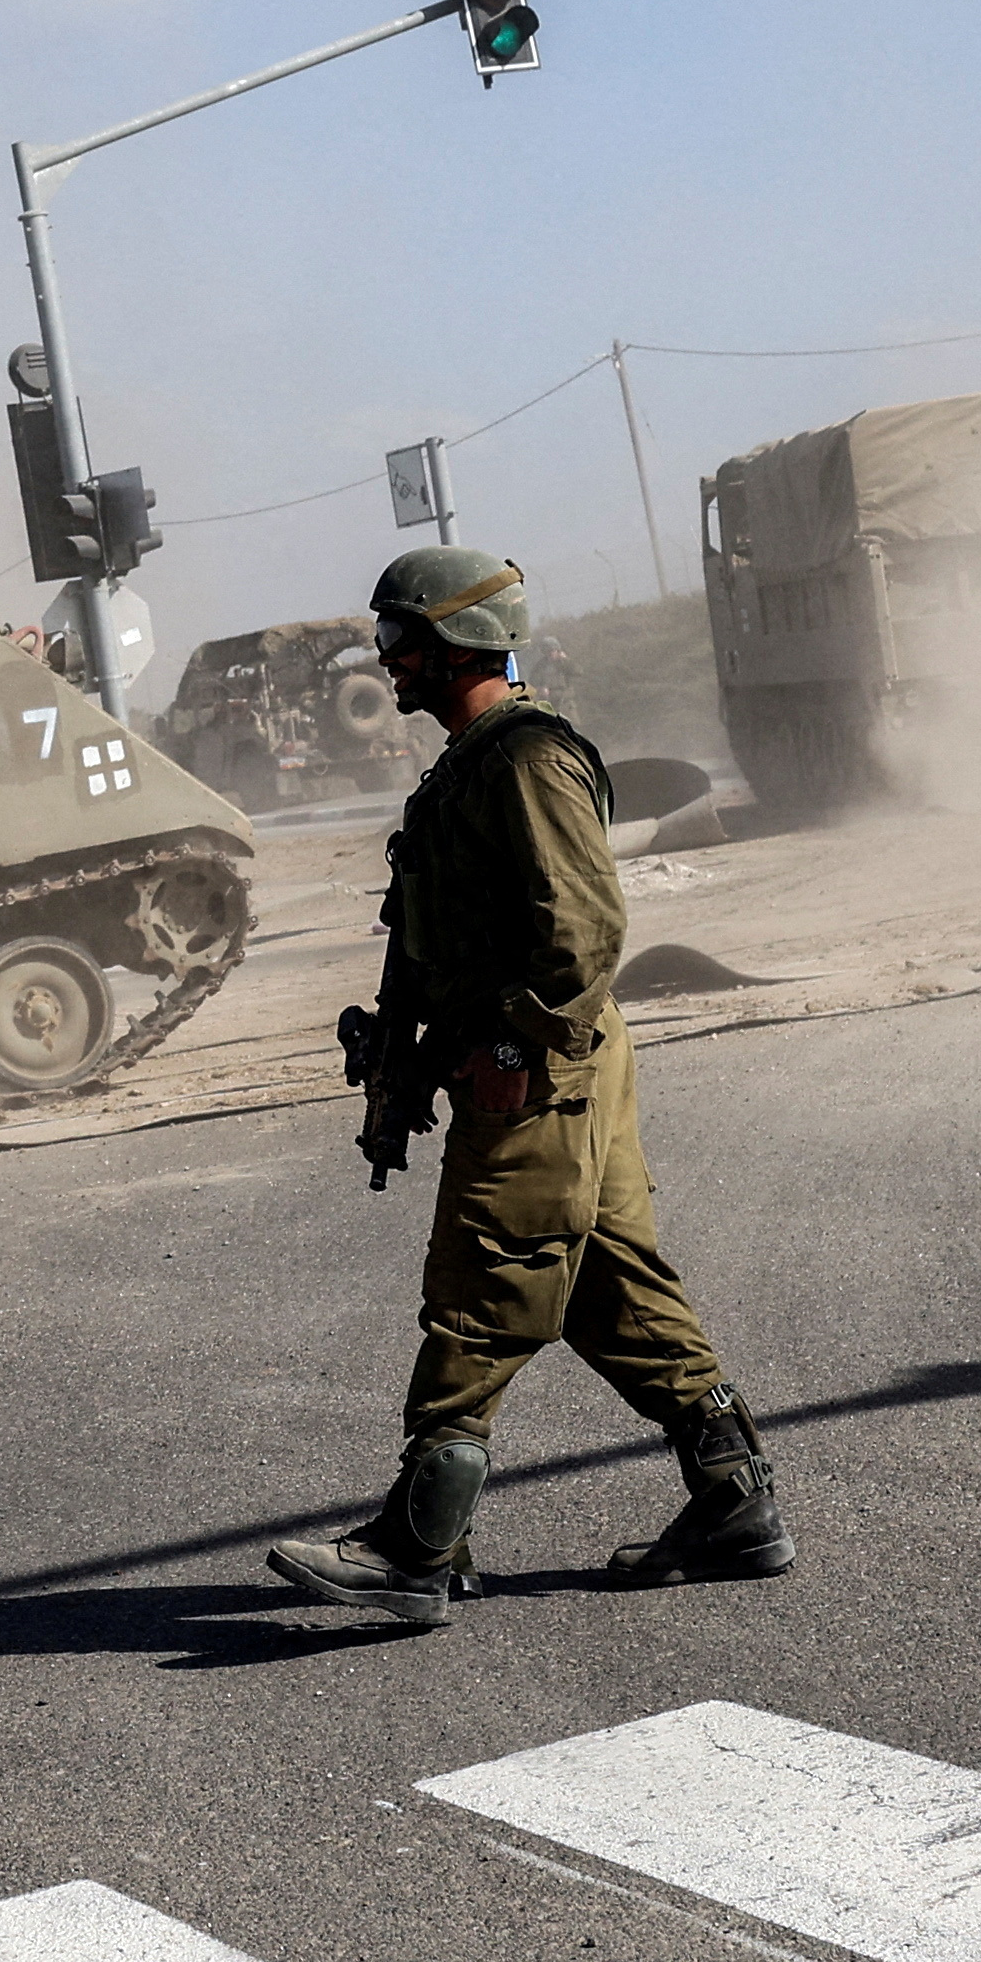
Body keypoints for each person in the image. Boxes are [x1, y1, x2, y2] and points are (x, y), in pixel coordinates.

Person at [269, 548, 790, 1627]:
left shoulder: (526, 759)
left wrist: (506, 1049)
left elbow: (585, 931)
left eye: (399, 640)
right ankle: (734, 1496)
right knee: (607, 1283)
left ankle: (417, 1544)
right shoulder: (468, 764)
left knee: (485, 1277)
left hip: (535, 1069)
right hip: (541, 1061)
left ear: (454, 639)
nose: (388, 662)